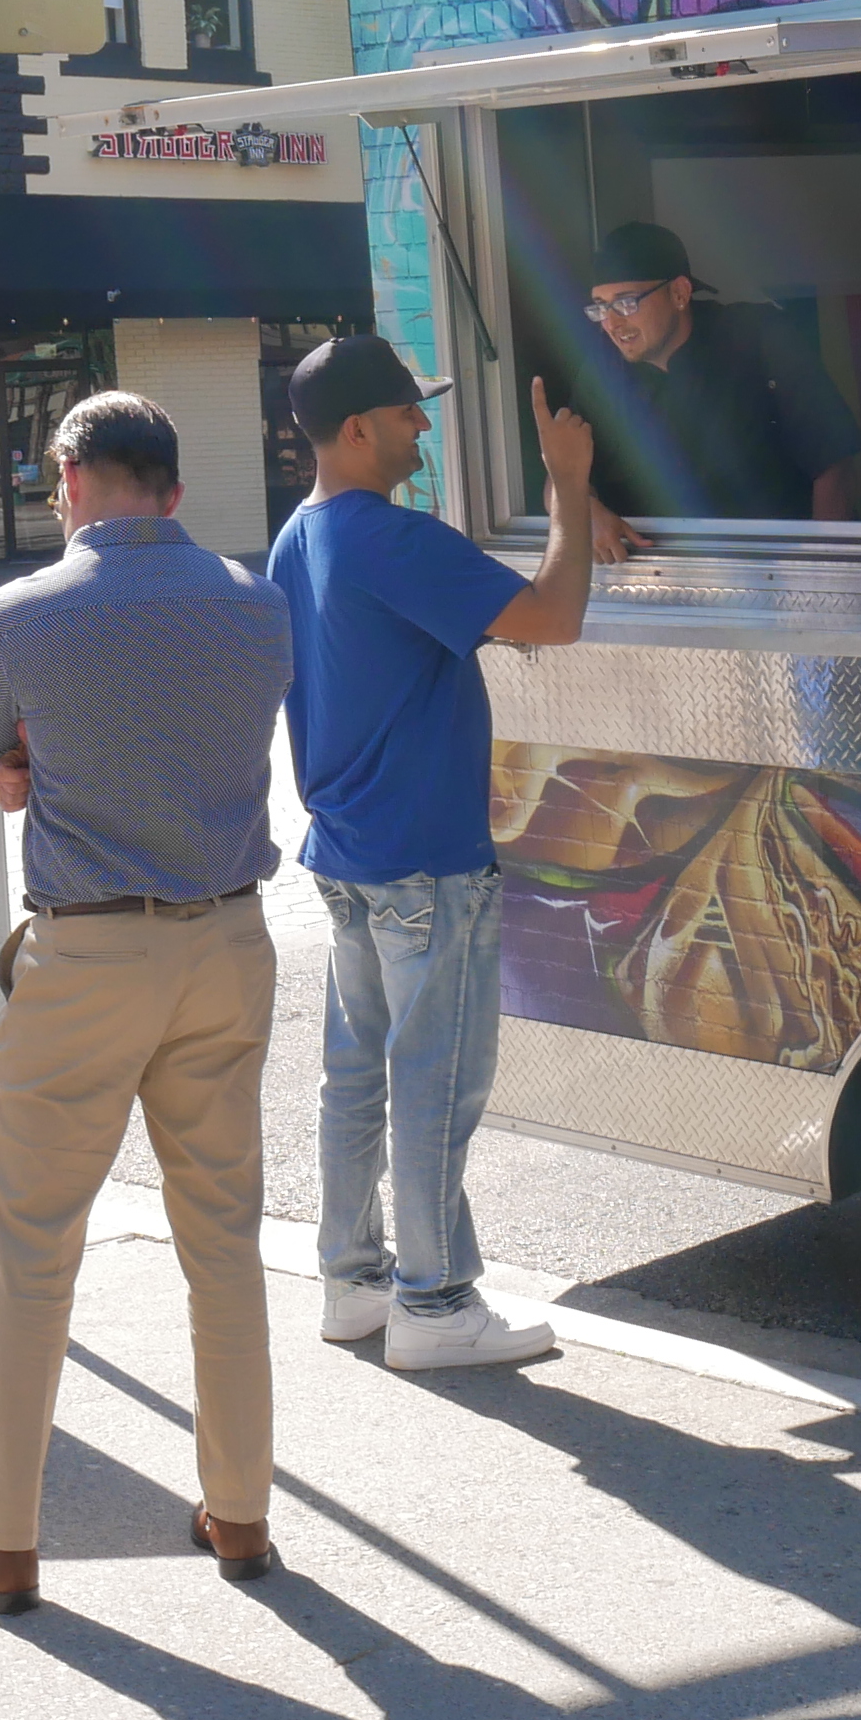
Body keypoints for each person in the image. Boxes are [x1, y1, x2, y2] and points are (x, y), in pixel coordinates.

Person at [0, 392, 295, 1613]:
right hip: (229, 940)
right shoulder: (257, 603)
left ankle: (8, 1540)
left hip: (86, 955)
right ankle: (240, 1512)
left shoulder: (19, 615)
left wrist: (38, 763)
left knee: (35, 1252)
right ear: (176, 489)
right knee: (223, 1241)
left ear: (70, 478)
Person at [264, 333, 599, 1369]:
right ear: (356, 428)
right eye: (408, 412)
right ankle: (436, 1304)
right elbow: (556, 615)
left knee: (356, 1077)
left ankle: (352, 1283)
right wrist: (568, 487)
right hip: (425, 859)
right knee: (433, 1082)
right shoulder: (390, 539)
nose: (422, 425)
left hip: (350, 853)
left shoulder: (298, 537)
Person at [575, 218, 861, 556]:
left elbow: (834, 463)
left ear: (680, 293)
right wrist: (581, 509)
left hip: (774, 564)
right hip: (657, 572)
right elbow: (559, 475)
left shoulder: (756, 337)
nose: (612, 323)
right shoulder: (604, 370)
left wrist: (823, 567)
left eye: (626, 303)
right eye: (601, 307)